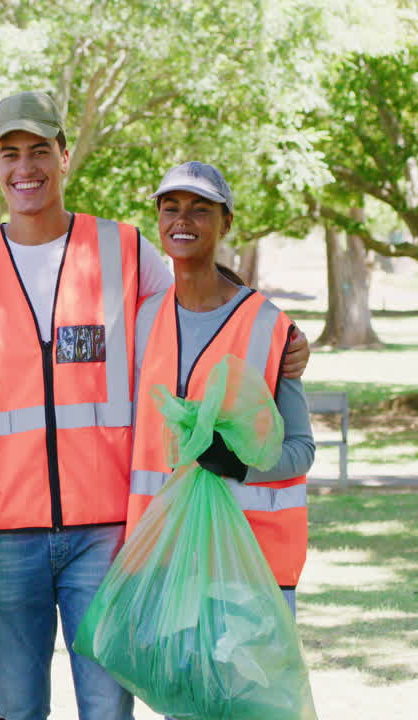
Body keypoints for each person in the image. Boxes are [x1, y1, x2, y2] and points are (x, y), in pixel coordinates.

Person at [0, 92, 310, 719]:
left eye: (40, 151)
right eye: (9, 153)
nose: (26, 167)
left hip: (105, 536)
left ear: (64, 157)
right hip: (5, 539)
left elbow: (198, 288)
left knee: (106, 709)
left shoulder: (122, 249)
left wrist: (280, 329)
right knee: (19, 712)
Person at [129, 161, 314, 617]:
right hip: (160, 561)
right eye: (170, 208)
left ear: (226, 221)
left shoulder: (270, 327)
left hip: (248, 566)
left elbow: (302, 449)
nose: (182, 221)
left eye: (200, 209)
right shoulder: (142, 319)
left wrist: (237, 462)